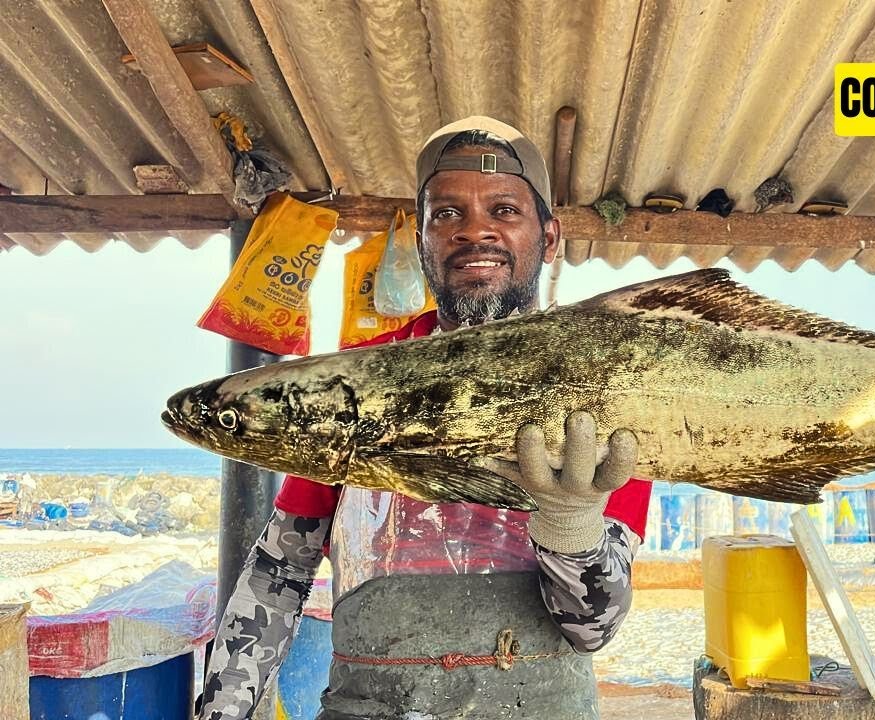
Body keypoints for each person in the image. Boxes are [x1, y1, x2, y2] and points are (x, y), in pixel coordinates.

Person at [198, 116, 652, 720]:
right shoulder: (350, 384)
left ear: (549, 237)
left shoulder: (606, 391)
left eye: (504, 210)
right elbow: (279, 574)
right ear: (421, 243)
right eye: (447, 214)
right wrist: (223, 709)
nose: (475, 232)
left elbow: (594, 629)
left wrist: (572, 525)